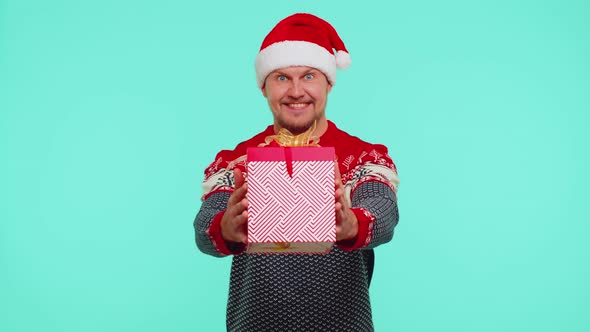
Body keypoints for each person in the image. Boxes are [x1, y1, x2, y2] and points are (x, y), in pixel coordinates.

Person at [194, 13, 400, 332]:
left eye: (308, 76)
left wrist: (350, 224)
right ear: (264, 87)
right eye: (281, 78)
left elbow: (383, 212)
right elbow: (205, 224)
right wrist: (224, 227)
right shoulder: (236, 161)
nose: (295, 91)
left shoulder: (363, 157)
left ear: (328, 83)